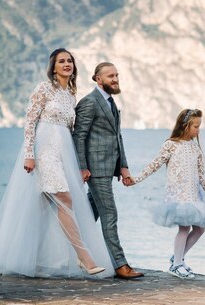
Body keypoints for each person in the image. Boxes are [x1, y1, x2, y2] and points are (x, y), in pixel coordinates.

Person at [0, 49, 113, 278]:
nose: (66, 64)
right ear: (53, 67)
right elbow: (30, 121)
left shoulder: (70, 95)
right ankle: (84, 256)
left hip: (63, 151)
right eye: (61, 61)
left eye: (70, 61)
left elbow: (71, 130)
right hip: (44, 148)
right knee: (65, 198)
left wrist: (79, 163)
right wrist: (29, 153)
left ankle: (15, 253)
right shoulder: (44, 88)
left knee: (39, 206)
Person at [124, 108, 205, 279]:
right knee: (184, 227)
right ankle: (176, 265)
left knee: (200, 229)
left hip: (194, 196)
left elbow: (201, 176)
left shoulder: (195, 149)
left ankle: (177, 258)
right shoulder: (171, 145)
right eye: (196, 127)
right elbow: (154, 165)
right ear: (185, 126)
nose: (199, 130)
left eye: (199, 127)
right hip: (179, 195)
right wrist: (136, 179)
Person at [72, 62, 144, 279]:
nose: (115, 79)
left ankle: (74, 252)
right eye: (110, 76)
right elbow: (79, 136)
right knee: (110, 214)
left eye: (116, 75)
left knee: (88, 211)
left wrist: (123, 167)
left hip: (109, 167)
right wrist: (82, 168)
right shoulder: (89, 103)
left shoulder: (112, 103)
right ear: (97, 79)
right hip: (95, 169)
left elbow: (116, 137)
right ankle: (120, 265)